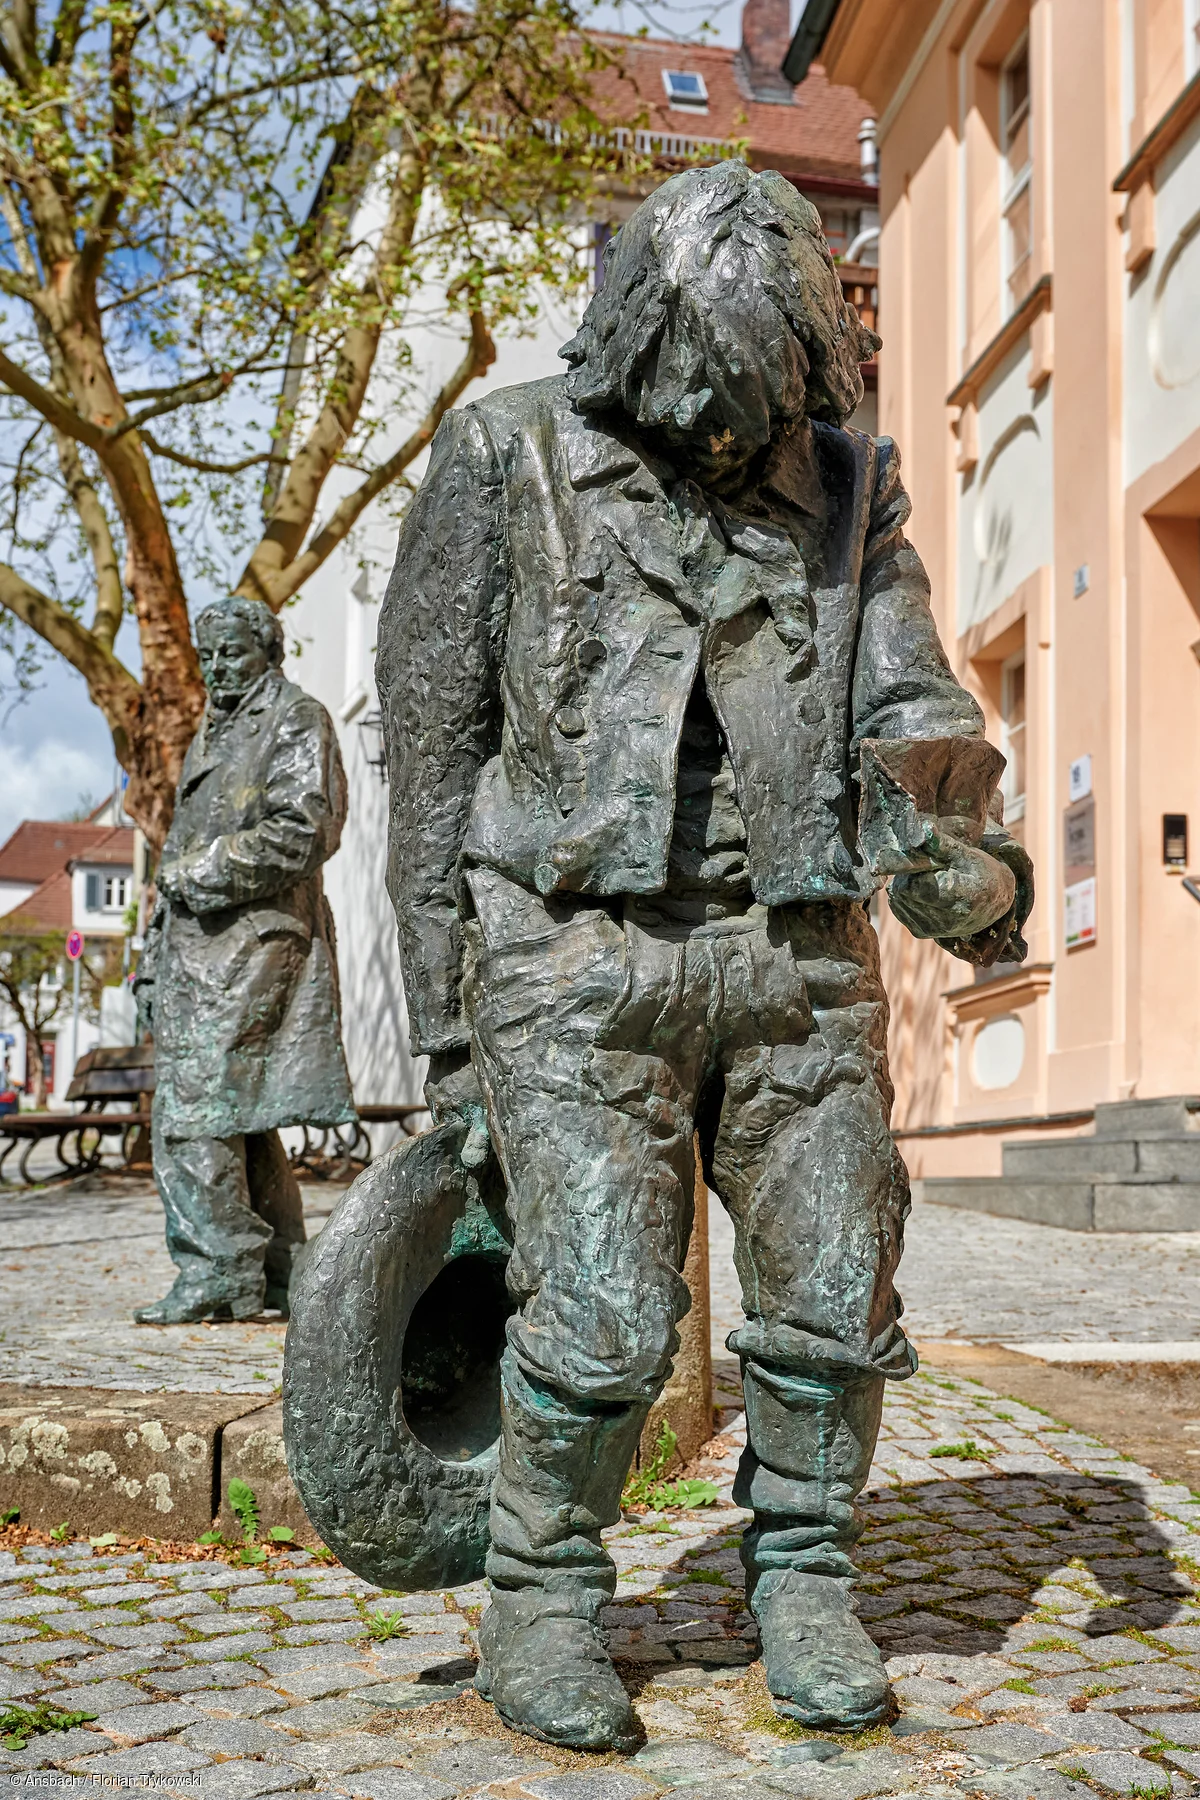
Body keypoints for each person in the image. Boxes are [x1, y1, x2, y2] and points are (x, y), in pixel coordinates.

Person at [377, 163, 1032, 1751]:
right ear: (634, 353)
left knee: (835, 1285)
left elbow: (912, 702)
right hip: (571, 954)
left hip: (798, 958)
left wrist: (960, 847)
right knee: (604, 1314)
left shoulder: (853, 486)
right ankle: (541, 1596)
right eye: (698, 416)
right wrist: (452, 1041)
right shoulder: (506, 453)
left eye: (760, 416)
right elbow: (434, 758)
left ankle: (804, 1575)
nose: (732, 446)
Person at [133, 596, 355, 1325]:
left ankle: (219, 1272)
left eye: (232, 653)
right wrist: (149, 964)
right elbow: (172, 855)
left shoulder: (295, 717)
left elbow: (306, 828)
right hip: (200, 951)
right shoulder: (213, 728)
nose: (218, 668)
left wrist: (199, 873)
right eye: (209, 656)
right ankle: (282, 1270)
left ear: (268, 651)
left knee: (194, 1109)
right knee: (237, 1111)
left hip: (252, 942)